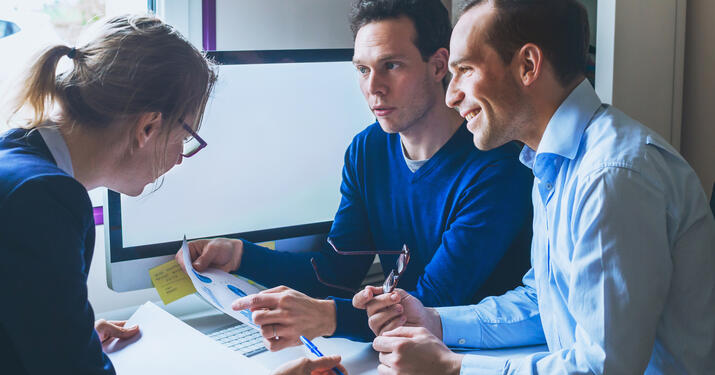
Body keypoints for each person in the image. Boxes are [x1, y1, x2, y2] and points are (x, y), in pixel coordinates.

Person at [358, 0, 715, 374]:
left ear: (528, 65)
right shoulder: (552, 162)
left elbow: (603, 368)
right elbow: (543, 301)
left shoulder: (610, 176)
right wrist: (436, 321)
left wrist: (454, 367)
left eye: (464, 69)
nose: (451, 95)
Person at [177, 0, 533, 352]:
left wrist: (327, 317)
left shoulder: (497, 165)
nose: (373, 87)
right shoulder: (368, 150)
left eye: (391, 66)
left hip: (482, 355)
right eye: (362, 70)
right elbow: (335, 270)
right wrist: (241, 256)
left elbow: (433, 304)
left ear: (439, 66)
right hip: (404, 349)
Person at [0, 14, 342, 375]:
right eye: (184, 139)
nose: (180, 158)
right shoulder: (45, 200)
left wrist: (69, 338)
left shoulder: (18, 160)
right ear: (148, 126)